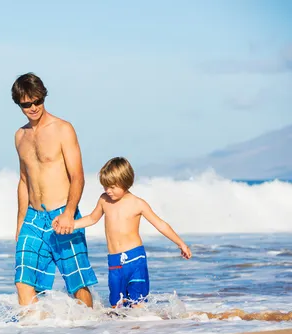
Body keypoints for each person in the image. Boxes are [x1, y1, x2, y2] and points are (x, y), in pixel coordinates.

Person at [55, 157, 192, 308]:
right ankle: (121, 331)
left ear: (125, 182)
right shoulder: (104, 200)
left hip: (135, 259)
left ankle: (143, 328)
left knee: (137, 304)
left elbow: (160, 224)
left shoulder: (137, 203)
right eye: (105, 187)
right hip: (114, 261)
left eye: (112, 187)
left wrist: (181, 244)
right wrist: (70, 224)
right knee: (117, 306)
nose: (108, 190)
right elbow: (92, 219)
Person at [11, 72, 98, 308]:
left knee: (77, 283)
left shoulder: (62, 129)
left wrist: (70, 213)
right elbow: (23, 180)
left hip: (62, 214)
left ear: (43, 97)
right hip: (33, 217)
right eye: (26, 104)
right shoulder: (20, 136)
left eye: (37, 101)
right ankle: (34, 333)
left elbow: (77, 176)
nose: (33, 107)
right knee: (23, 280)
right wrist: (20, 222)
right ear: (19, 104)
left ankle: (90, 330)